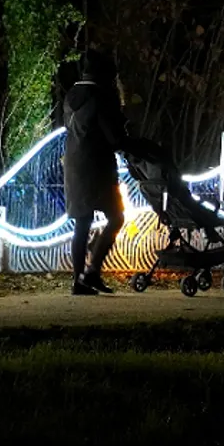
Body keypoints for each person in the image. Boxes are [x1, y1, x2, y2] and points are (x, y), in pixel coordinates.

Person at [63, 50, 132, 296]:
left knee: (82, 223)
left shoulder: (71, 96)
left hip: (73, 163)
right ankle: (92, 271)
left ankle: (78, 280)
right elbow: (113, 137)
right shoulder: (101, 97)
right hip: (98, 167)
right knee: (116, 217)